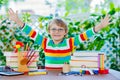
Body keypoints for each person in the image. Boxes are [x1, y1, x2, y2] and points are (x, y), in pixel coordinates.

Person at [8, 8, 111, 69]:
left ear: (65, 32)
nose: (57, 32)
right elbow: (31, 32)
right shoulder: (45, 42)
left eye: (60, 29)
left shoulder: (70, 43)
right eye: (53, 29)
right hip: (49, 76)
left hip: (65, 75)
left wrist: (100, 26)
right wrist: (18, 21)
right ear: (49, 31)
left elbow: (85, 35)